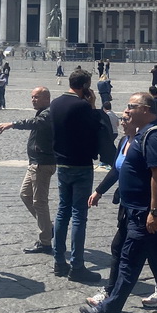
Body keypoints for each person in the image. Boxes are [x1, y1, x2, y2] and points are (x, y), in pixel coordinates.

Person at [78, 92, 157, 313]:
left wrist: (154, 211)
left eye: (132, 106)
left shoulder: (155, 136)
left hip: (145, 213)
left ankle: (108, 312)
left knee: (129, 261)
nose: (127, 110)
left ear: (148, 110)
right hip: (138, 210)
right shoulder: (141, 135)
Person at [51, 69, 102, 284]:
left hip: (62, 162)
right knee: (79, 215)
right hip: (81, 164)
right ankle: (77, 266)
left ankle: (59, 262)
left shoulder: (55, 103)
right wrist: (91, 105)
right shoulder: (82, 106)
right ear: (86, 85)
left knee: (63, 211)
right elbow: (94, 128)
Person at [0, 87, 55, 253]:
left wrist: (12, 124)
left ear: (46, 98)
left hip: (42, 163)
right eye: (32, 97)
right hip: (36, 162)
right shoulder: (43, 111)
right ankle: (48, 227)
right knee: (25, 194)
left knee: (39, 202)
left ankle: (45, 242)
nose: (33, 100)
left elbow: (35, 124)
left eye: (36, 97)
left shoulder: (48, 113)